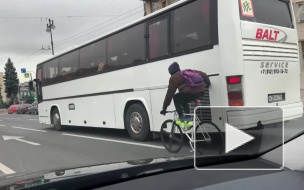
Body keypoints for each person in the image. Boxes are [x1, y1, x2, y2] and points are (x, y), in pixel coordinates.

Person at [160, 62, 211, 129]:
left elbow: (169, 95)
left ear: (171, 72)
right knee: (184, 101)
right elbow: (204, 75)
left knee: (176, 97)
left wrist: (164, 108)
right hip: (201, 92)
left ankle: (183, 120)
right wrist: (208, 84)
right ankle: (188, 121)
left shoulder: (174, 77)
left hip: (191, 93)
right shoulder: (186, 72)